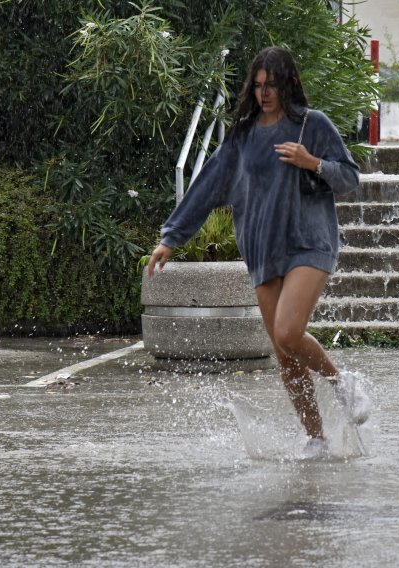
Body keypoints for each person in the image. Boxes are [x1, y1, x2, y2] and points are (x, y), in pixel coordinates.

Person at [147, 46, 371, 456]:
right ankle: (315, 438)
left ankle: (343, 383)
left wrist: (312, 162)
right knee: (285, 354)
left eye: (272, 85)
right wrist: (171, 238)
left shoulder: (312, 126)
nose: (264, 93)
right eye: (258, 85)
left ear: (288, 84)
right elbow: (208, 184)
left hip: (310, 242)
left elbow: (350, 178)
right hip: (263, 250)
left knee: (288, 331)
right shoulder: (244, 135)